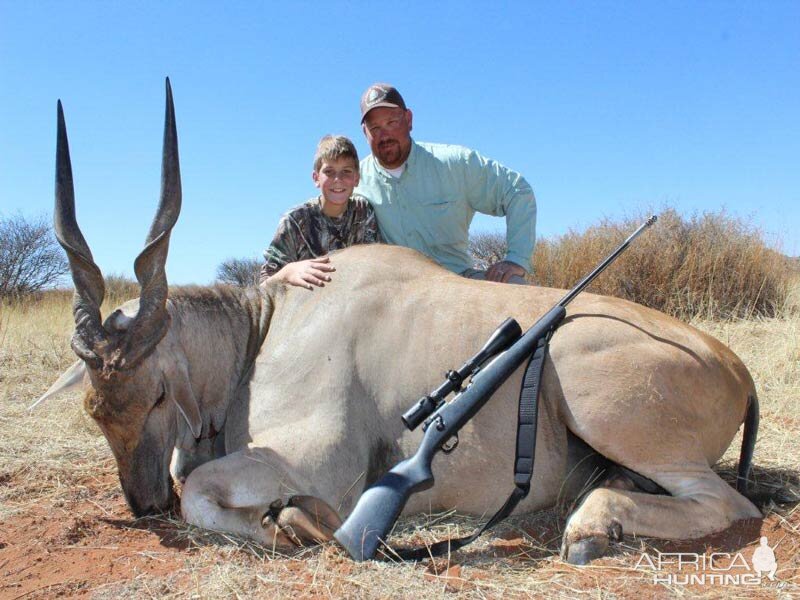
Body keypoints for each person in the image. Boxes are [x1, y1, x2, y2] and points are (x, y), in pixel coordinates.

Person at [356, 83, 536, 284]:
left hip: (458, 282)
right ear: (365, 132)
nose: (385, 135)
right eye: (375, 128)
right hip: (393, 291)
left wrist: (516, 260)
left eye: (392, 122)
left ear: (408, 120)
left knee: (516, 286)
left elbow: (517, 191)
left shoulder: (456, 163)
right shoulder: (353, 181)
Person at [260, 135, 382, 290]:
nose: (338, 179)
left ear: (356, 178)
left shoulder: (364, 212)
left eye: (346, 171)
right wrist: (288, 272)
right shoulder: (295, 221)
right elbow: (264, 286)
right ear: (316, 178)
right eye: (329, 172)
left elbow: (373, 266)